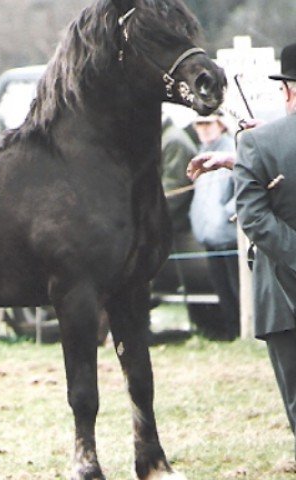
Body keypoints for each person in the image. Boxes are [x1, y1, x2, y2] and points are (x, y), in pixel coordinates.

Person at [187, 42, 296, 471]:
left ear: (289, 89)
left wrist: (249, 156)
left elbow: (253, 215)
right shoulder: (260, 143)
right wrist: (243, 158)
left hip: (284, 294)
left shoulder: (261, 143)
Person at [188, 112, 240, 340]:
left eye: (208, 123)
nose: (204, 129)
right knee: (223, 291)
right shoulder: (200, 154)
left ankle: (243, 332)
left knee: (238, 290)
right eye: (200, 124)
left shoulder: (231, 151)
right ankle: (231, 332)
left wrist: (227, 214)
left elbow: (244, 189)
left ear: (220, 124)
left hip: (230, 236)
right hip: (210, 236)